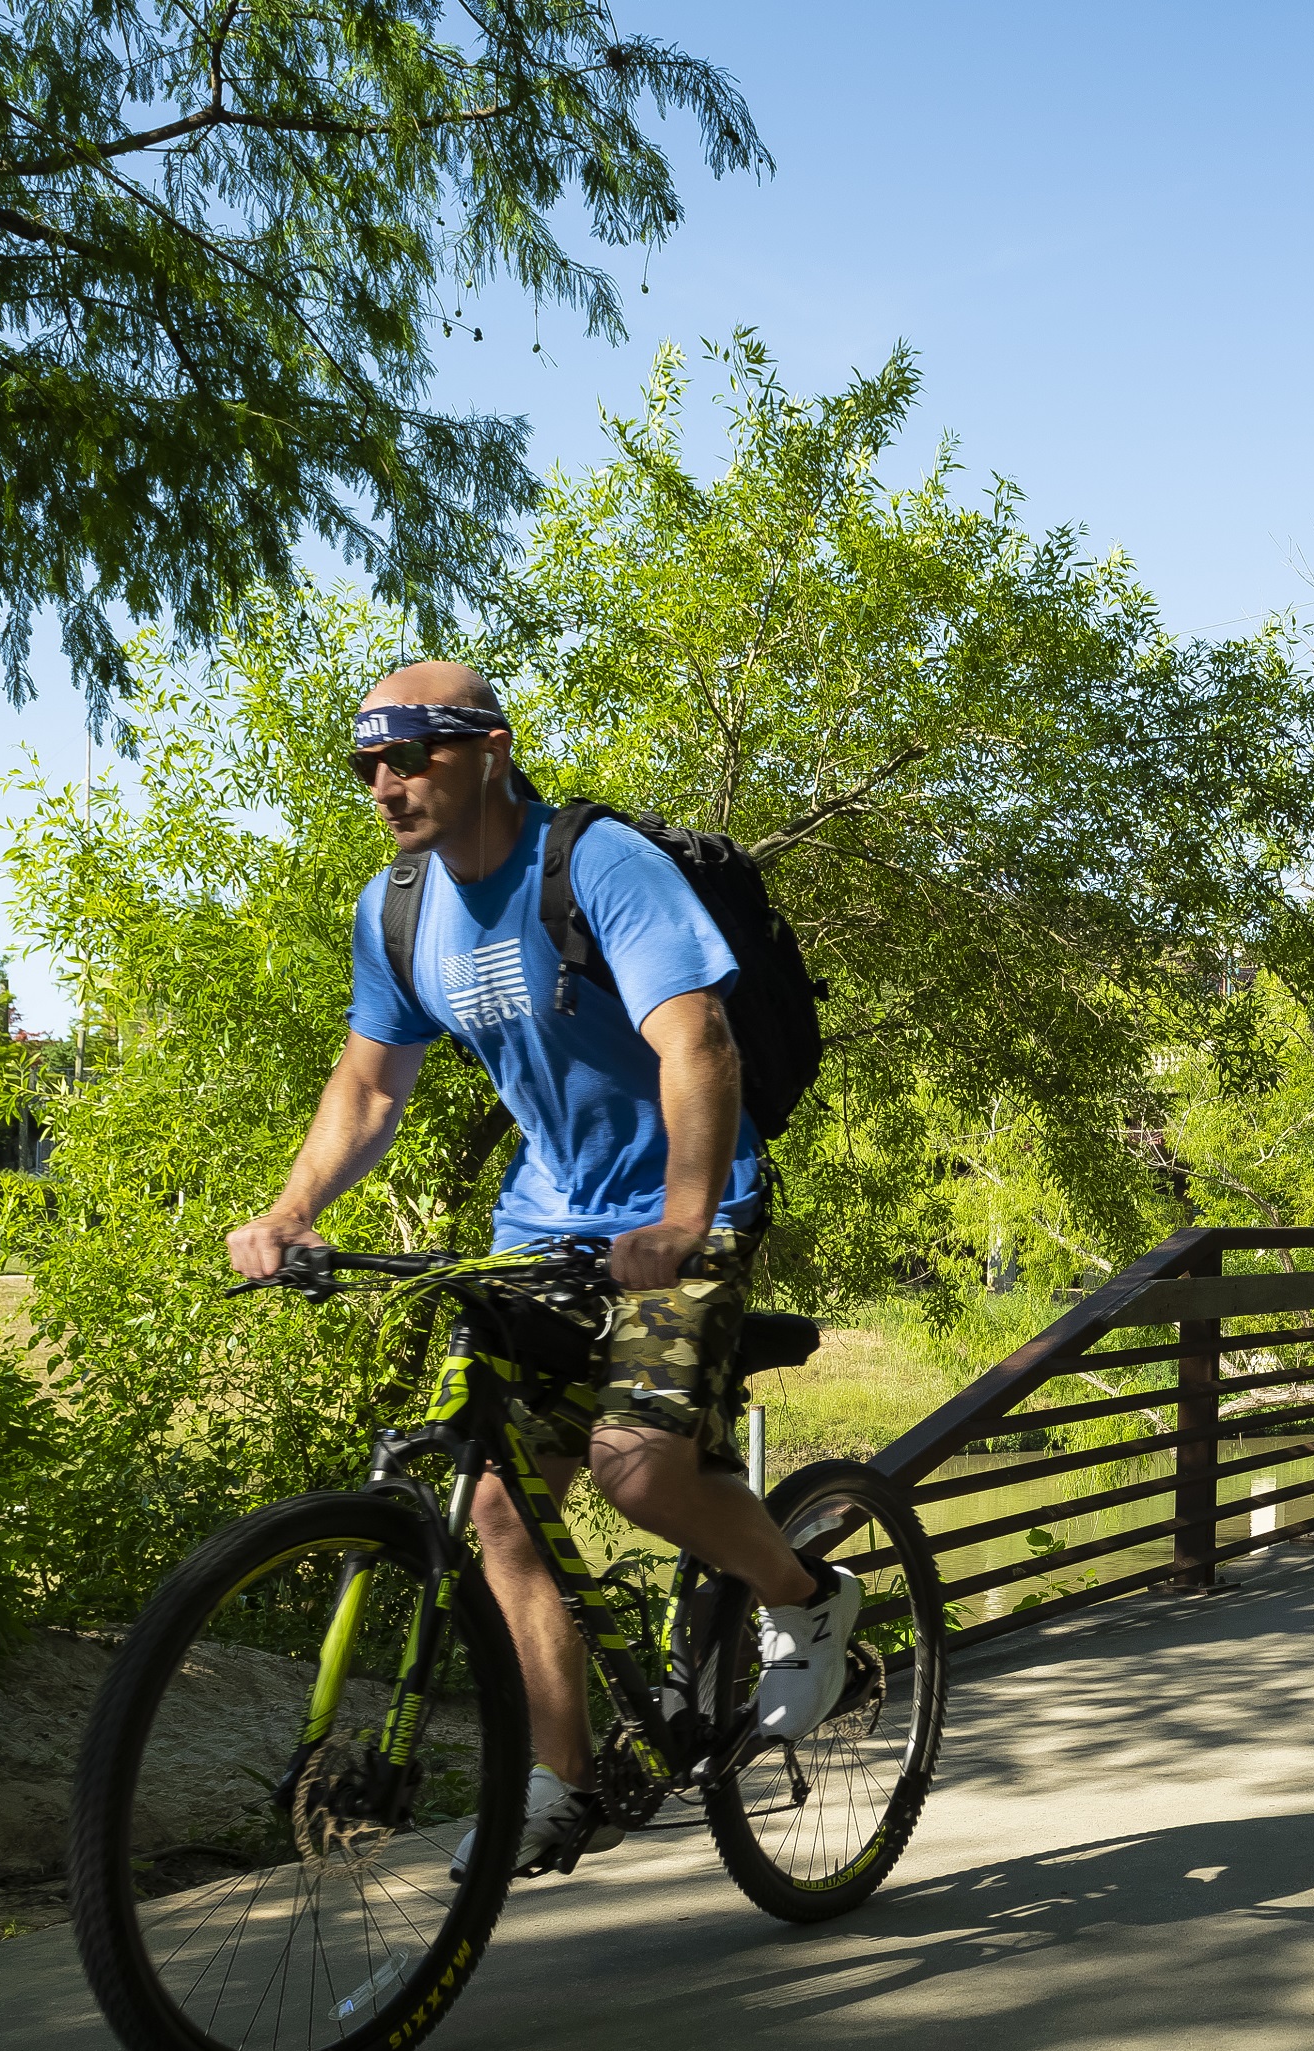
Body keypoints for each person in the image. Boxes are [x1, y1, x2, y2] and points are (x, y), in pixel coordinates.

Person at [225, 661, 862, 1865]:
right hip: (543, 1222)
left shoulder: (597, 863)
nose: (387, 781)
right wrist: (293, 1207)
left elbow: (699, 1038)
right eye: (367, 761)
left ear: (491, 749)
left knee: (633, 1466)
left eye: (412, 753)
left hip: (691, 1198)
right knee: (502, 1506)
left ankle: (807, 1599)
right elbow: (370, 1083)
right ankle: (566, 1782)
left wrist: (680, 1215)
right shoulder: (398, 907)